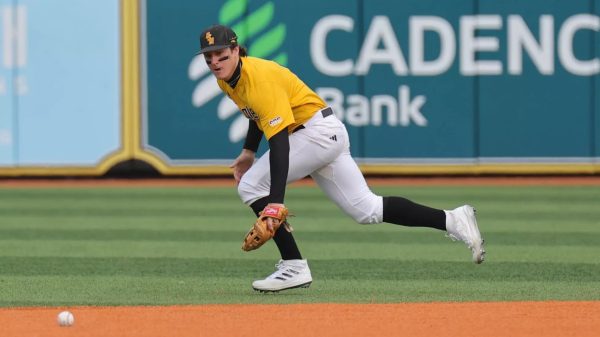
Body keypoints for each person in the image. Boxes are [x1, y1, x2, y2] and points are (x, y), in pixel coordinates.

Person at [197, 24, 485, 293]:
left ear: (236, 51)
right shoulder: (228, 79)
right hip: (323, 132)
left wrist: (275, 203)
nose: (214, 63)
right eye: (208, 57)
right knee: (367, 209)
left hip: (313, 134)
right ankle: (453, 219)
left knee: (250, 187)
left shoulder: (258, 78)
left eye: (221, 55)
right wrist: (248, 151)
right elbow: (256, 115)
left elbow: (280, 142)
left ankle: (293, 265)